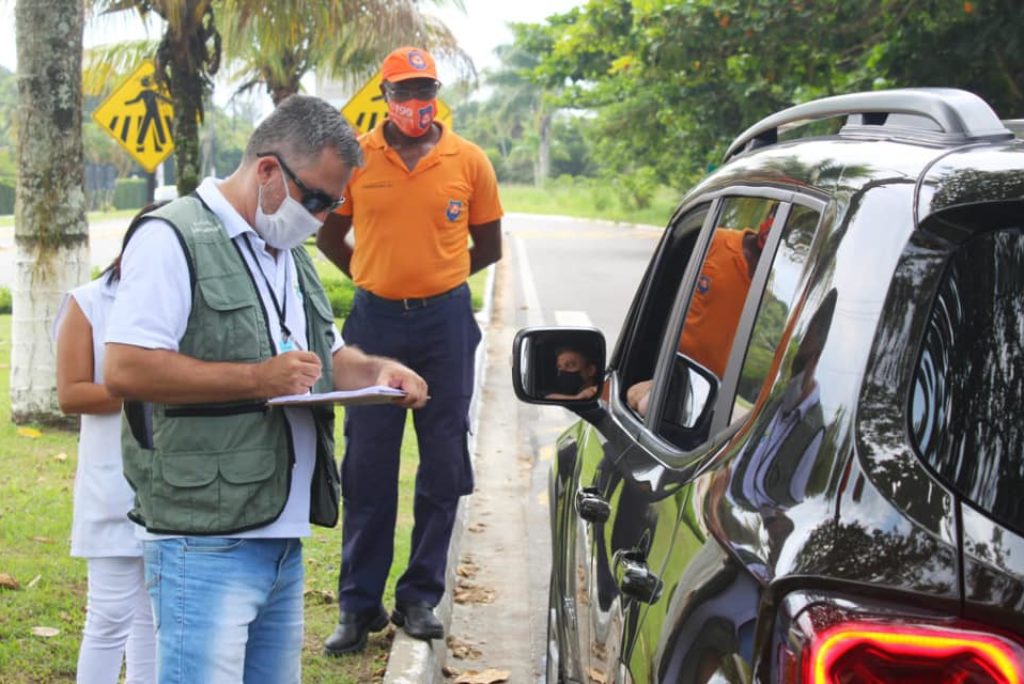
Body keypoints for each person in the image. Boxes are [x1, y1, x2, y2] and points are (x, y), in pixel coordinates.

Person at [102, 94, 428, 684]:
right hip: (205, 540)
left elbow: (326, 359)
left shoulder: (287, 252)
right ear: (269, 170)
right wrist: (257, 378)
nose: (325, 217)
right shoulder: (173, 237)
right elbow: (125, 369)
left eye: (336, 202)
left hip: (279, 533)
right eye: (319, 199)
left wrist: (379, 373)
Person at [316, 46, 503, 653]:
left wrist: (440, 278)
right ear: (386, 97)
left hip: (445, 326)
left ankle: (419, 596)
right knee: (368, 465)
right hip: (374, 323)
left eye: (426, 91)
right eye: (404, 92)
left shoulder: (468, 161)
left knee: (443, 462)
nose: (416, 104)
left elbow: (490, 244)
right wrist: (373, 275)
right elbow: (329, 234)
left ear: (435, 95)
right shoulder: (356, 159)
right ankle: (358, 606)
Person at [53, 208, 162, 684]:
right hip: (112, 483)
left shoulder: (182, 304)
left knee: (153, 618)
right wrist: (155, 387)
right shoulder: (90, 302)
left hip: (175, 486)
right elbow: (72, 394)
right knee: (110, 615)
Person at [627, 212, 775, 417]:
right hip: (675, 385)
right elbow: (659, 301)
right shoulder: (713, 241)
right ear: (768, 215)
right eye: (774, 215)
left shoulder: (785, 283)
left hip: (725, 408)